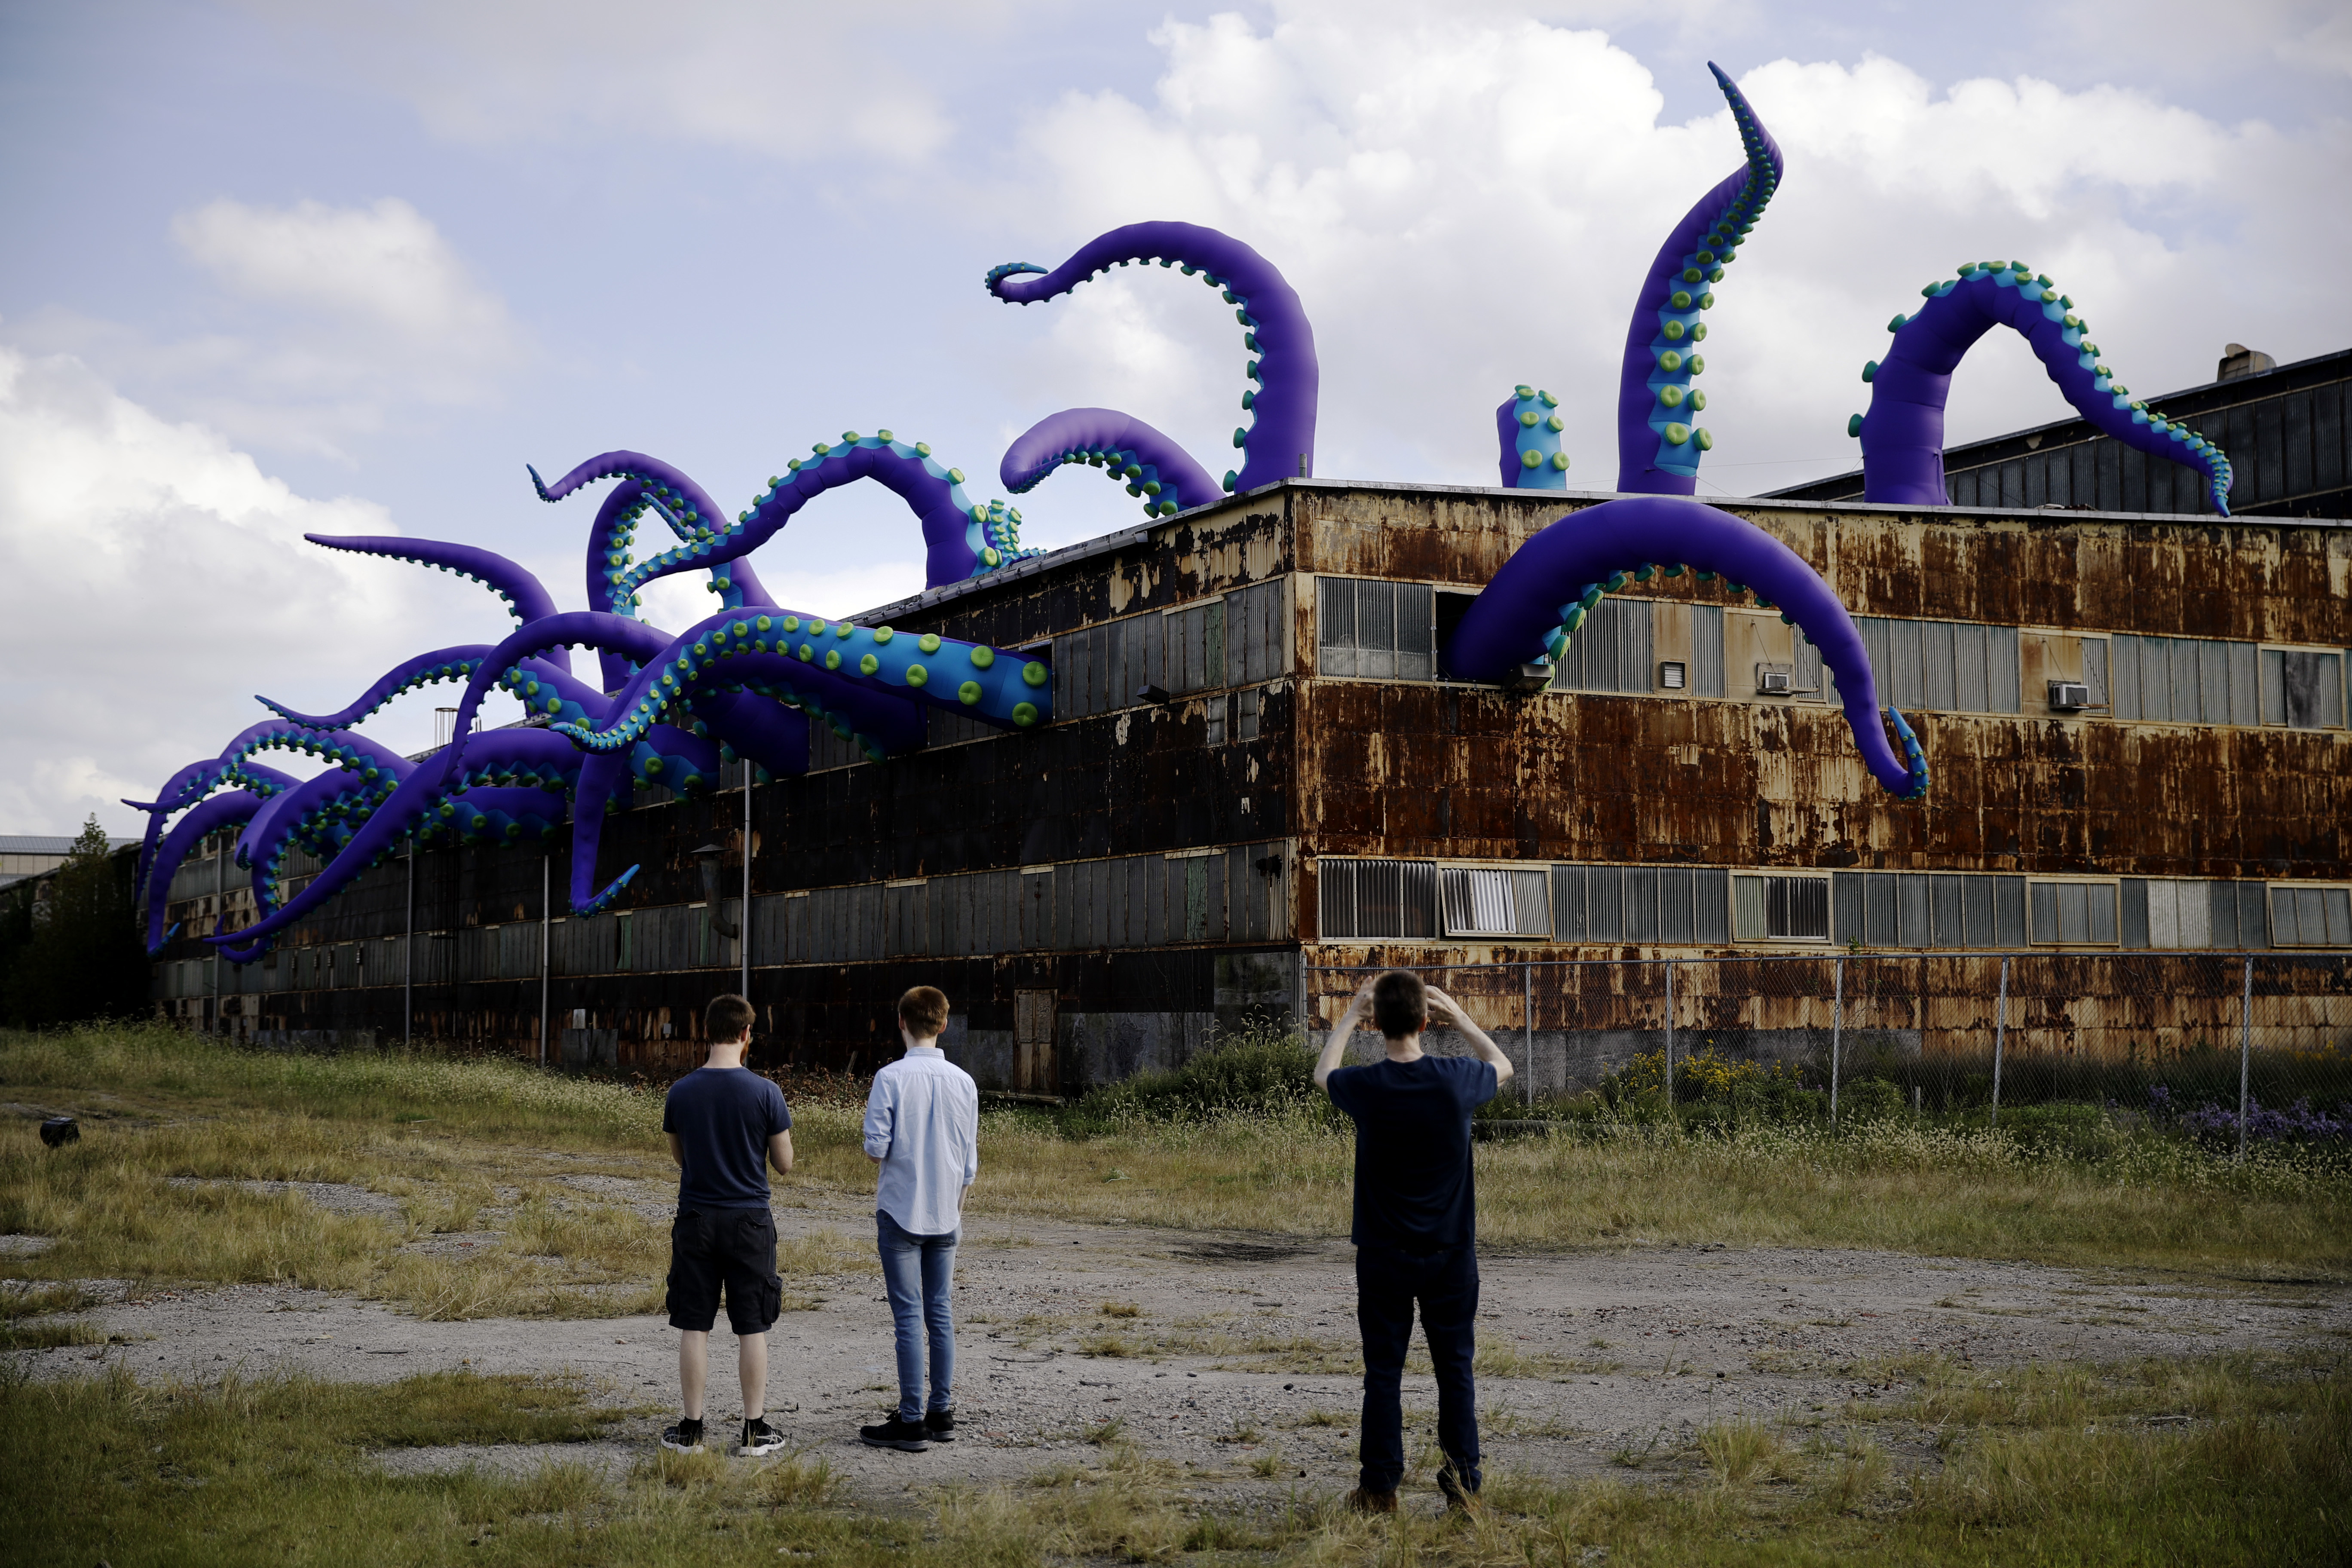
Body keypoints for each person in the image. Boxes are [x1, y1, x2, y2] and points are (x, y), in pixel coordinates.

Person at [1315, 970, 1513, 1515]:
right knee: (1455, 1371)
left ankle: (1379, 1490)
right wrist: (1463, 1017)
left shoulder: (1367, 1086)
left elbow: (1323, 1074)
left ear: (1377, 1023)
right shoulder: (1457, 1080)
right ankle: (1464, 1493)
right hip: (1451, 1253)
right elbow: (1503, 1065)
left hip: (1384, 1253)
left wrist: (1349, 1016)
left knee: (1384, 1372)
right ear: (1427, 1022)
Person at [658, 993, 794, 1457]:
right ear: (746, 1034)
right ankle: (754, 1431)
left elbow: (681, 1158)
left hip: (696, 1218)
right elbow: (784, 1164)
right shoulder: (766, 1092)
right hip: (749, 1222)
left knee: (694, 1325)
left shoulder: (680, 1092)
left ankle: (691, 1431)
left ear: (707, 1032)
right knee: (751, 1326)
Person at [858, 985, 979, 1452]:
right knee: (940, 1312)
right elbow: (969, 1163)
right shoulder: (965, 1082)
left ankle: (911, 1421)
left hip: (901, 1210)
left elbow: (876, 1149)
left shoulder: (890, 1078)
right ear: (943, 1024)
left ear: (902, 1023)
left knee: (909, 1316)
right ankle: (940, 1412)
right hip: (947, 1212)